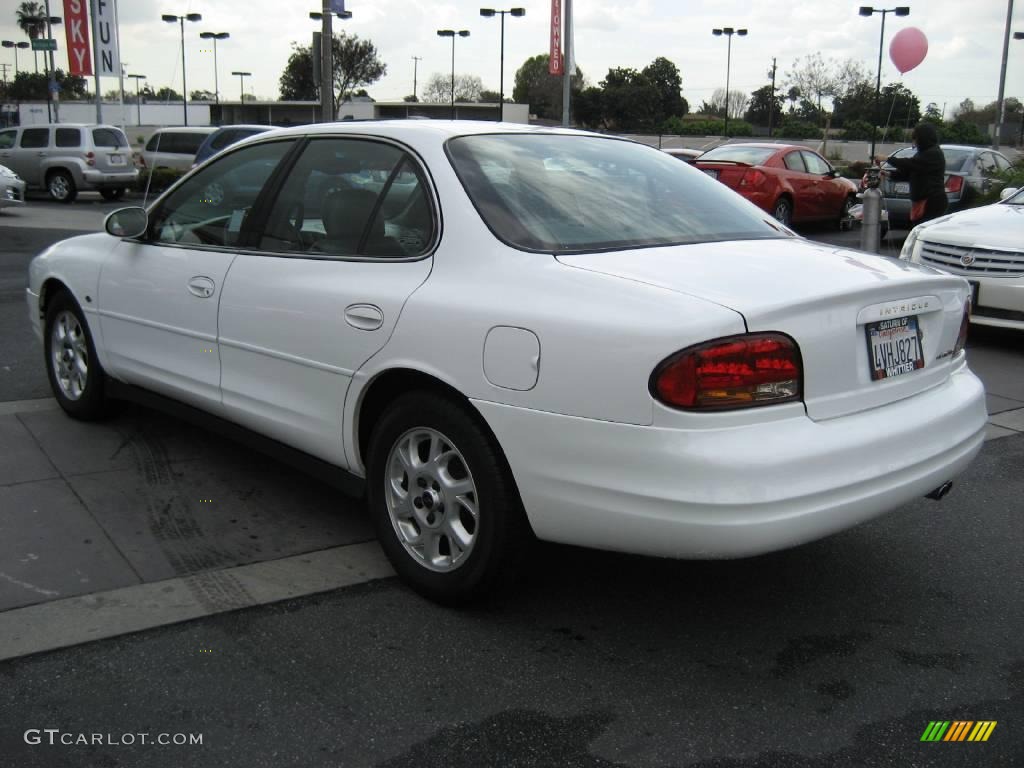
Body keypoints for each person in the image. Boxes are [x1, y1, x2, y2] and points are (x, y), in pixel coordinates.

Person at [877, 123, 947, 224]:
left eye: (915, 139)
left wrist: (887, 159)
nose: (914, 144)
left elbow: (910, 164)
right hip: (921, 201)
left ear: (923, 139)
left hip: (932, 201)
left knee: (922, 230)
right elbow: (909, 173)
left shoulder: (934, 153)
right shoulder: (922, 154)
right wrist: (888, 174)